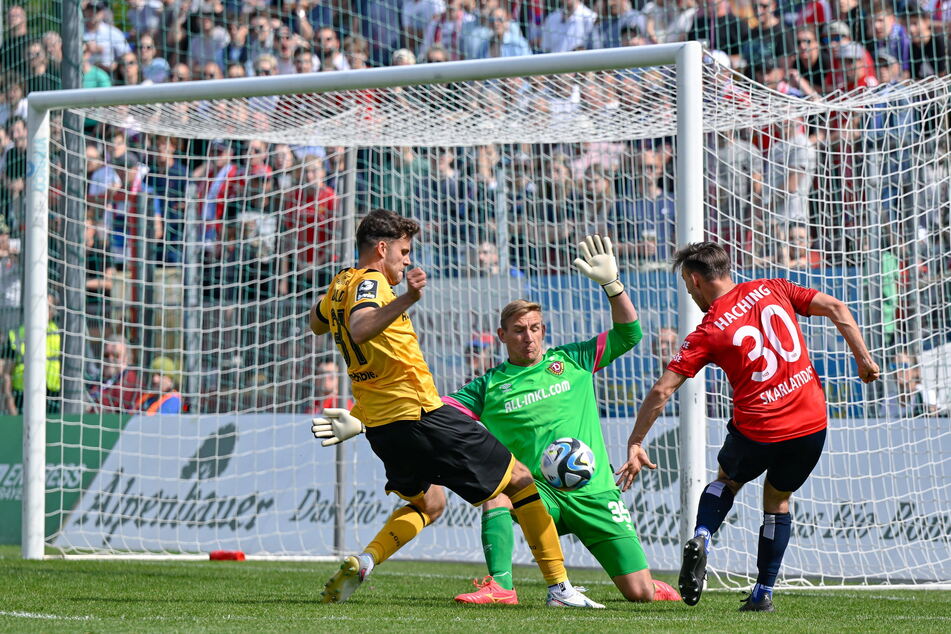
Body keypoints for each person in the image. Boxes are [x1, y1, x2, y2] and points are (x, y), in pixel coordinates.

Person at [309, 209, 601, 608]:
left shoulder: (340, 283)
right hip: (420, 413)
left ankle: (365, 560)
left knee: (430, 502)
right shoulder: (371, 283)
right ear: (381, 248)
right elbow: (360, 327)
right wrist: (408, 298)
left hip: (382, 426)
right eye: (403, 251)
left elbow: (318, 323)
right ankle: (559, 589)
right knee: (519, 479)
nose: (407, 260)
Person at [615, 242, 880, 612]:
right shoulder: (774, 287)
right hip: (810, 423)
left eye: (689, 288)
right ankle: (762, 593)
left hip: (759, 428)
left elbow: (662, 389)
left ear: (695, 279)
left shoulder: (708, 330)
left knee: (726, 481)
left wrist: (636, 440)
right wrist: (863, 360)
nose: (691, 295)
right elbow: (836, 307)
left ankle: (704, 535)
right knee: (778, 501)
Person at [444, 236, 680, 605]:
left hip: (596, 493)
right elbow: (435, 411)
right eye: (519, 330)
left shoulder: (573, 360)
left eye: (535, 328)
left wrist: (612, 285)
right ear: (502, 336)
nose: (528, 337)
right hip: (542, 493)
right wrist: (366, 419)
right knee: (499, 493)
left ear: (543, 330)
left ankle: (653, 586)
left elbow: (630, 333)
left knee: (640, 595)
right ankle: (501, 587)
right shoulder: (488, 386)